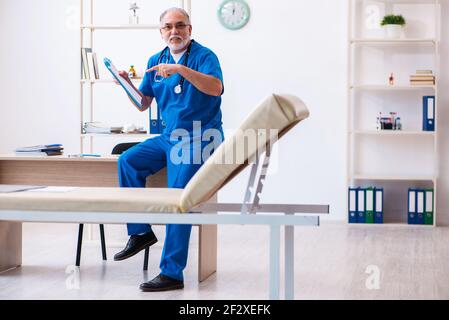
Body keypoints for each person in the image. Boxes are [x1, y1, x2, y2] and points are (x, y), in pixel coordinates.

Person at [114, 7, 224, 292]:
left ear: (190, 29)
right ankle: (140, 232)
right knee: (128, 161)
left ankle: (172, 273)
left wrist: (180, 70)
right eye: (168, 27)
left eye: (180, 26)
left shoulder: (204, 56)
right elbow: (143, 103)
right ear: (161, 31)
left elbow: (216, 88)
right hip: (168, 137)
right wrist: (125, 83)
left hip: (200, 137)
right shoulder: (156, 60)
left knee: (179, 198)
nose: (174, 31)